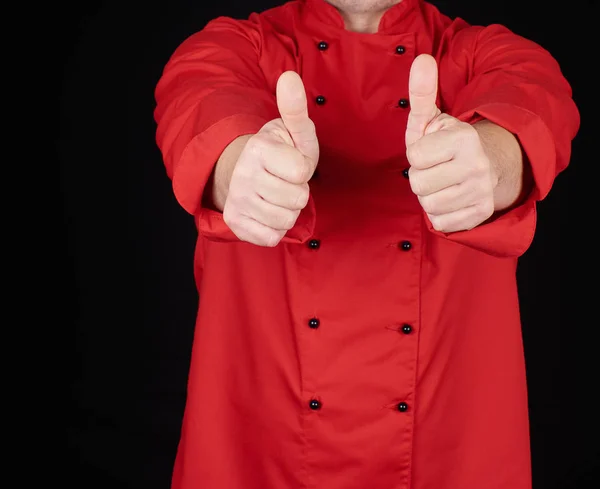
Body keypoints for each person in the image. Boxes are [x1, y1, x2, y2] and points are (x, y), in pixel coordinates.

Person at [153, 0, 579, 488]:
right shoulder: (232, 48)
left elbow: (533, 106)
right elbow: (199, 107)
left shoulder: (489, 53)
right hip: (260, 446)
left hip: (447, 449)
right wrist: (239, 170)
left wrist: (491, 163)